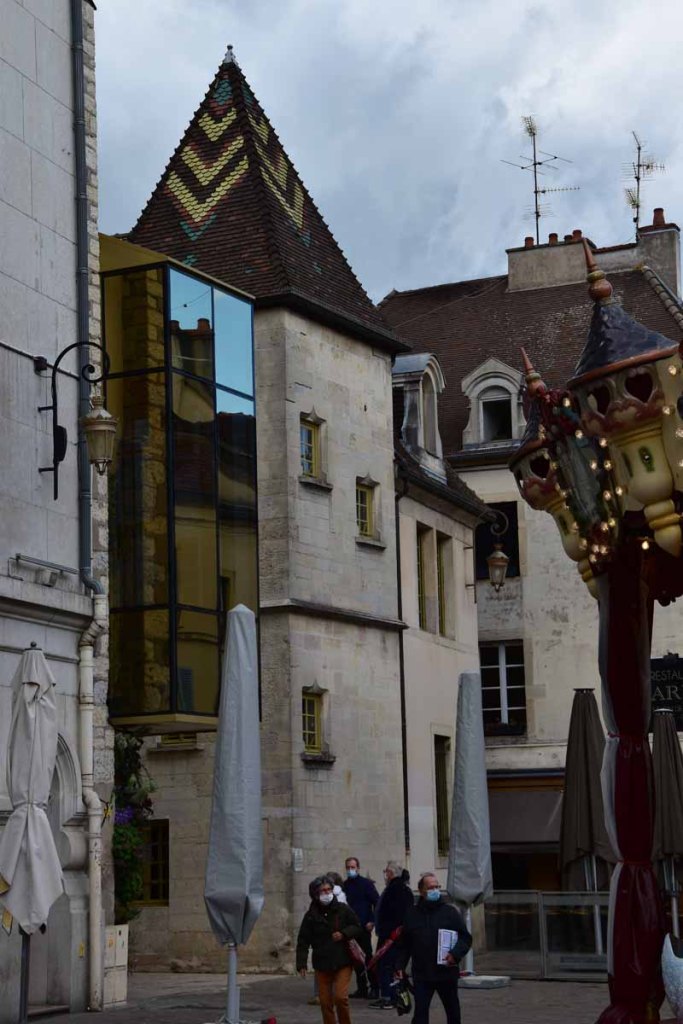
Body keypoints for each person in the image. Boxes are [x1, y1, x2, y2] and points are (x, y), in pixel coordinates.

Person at [394, 872, 471, 1024]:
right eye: (430, 888)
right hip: (422, 974)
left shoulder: (450, 912)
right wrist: (399, 966)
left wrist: (455, 954)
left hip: (446, 973)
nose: (435, 890)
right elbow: (405, 944)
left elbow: (465, 938)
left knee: (453, 1014)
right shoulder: (412, 914)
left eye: (437, 887)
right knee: (420, 1016)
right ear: (421, 891)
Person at [297, 874, 363, 1024]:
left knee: (340, 997)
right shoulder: (311, 915)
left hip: (342, 960)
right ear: (315, 894)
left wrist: (344, 934)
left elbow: (357, 926)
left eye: (329, 890)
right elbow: (303, 940)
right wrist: (301, 963)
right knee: (325, 1002)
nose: (327, 893)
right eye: (323, 891)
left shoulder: (342, 909)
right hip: (322, 962)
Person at [370, 860, 414, 1009]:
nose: (385, 875)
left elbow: (391, 914)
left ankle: (389, 997)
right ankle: (394, 995)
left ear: (390, 873)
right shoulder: (404, 890)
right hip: (396, 935)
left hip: (391, 936)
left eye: (386, 872)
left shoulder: (393, 890)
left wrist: (387, 932)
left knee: (385, 966)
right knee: (392, 966)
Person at [343, 856, 380, 999]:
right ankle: (362, 987)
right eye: (348, 867)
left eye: (352, 867)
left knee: (367, 958)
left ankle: (375, 987)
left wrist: (372, 921)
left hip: (364, 926)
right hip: (350, 928)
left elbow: (377, 903)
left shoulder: (366, 884)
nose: (350, 870)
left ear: (358, 868)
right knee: (356, 959)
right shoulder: (345, 886)